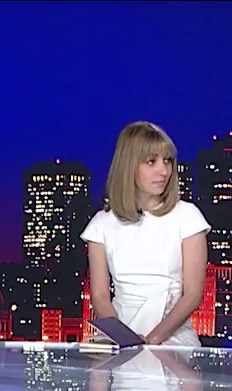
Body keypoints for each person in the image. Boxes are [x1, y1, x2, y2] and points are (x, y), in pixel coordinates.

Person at [82, 121, 209, 347]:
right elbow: (100, 296)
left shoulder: (188, 217)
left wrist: (152, 340)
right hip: (120, 338)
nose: (164, 171)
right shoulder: (101, 225)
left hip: (172, 339)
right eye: (152, 162)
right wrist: (125, 341)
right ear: (129, 165)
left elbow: (192, 295)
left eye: (167, 160)